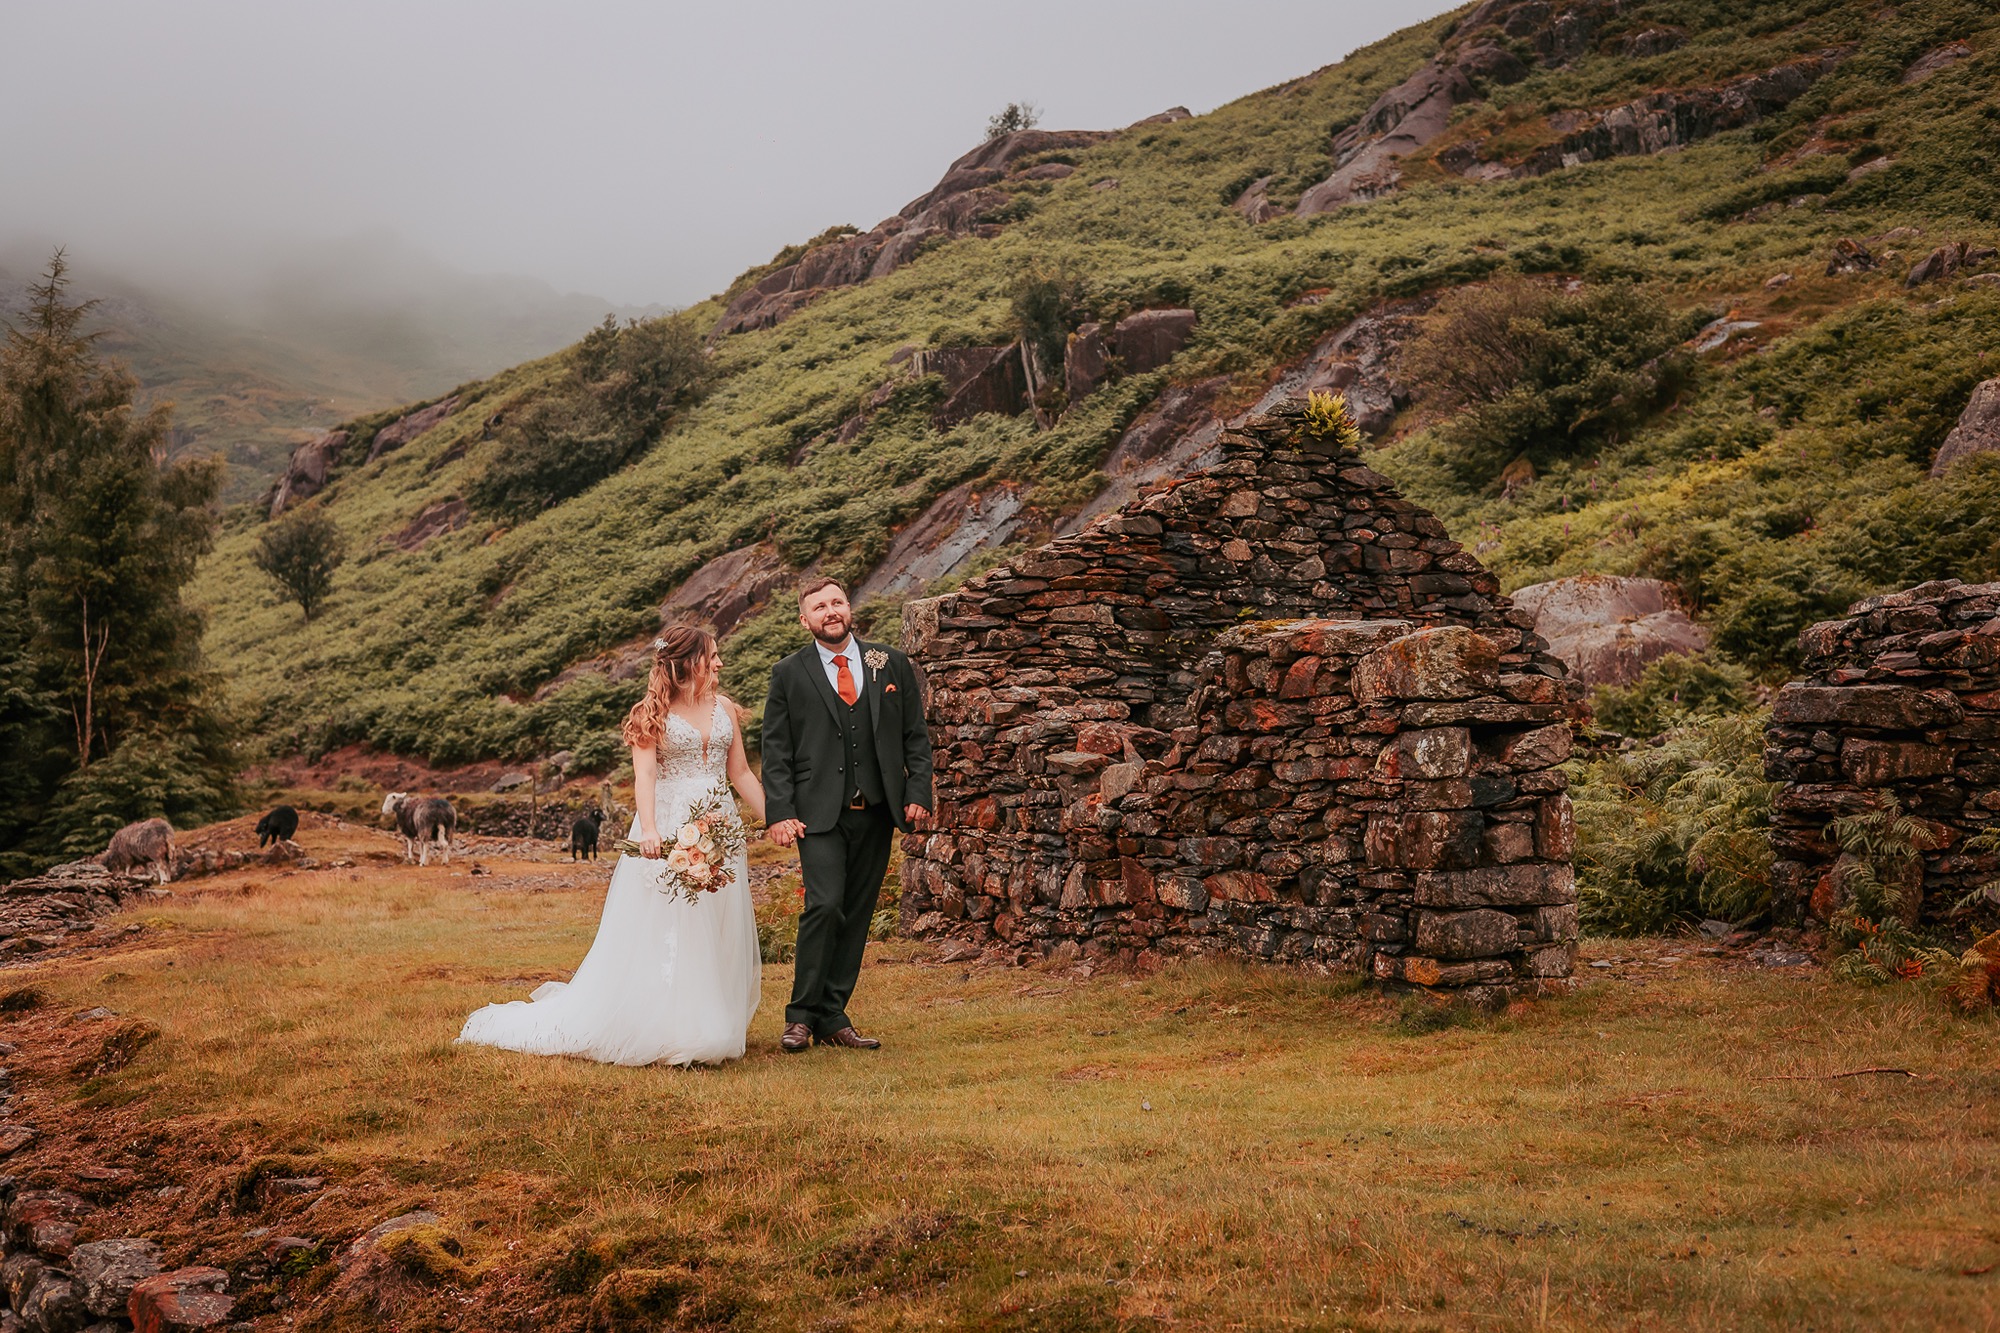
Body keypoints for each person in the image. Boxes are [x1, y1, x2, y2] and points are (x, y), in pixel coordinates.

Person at [456, 626, 764, 1066]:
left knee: (716, 920)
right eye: (711, 656)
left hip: (720, 824)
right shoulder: (648, 714)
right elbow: (645, 777)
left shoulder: (725, 709)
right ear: (685, 663)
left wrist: (776, 817)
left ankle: (713, 1017)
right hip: (671, 824)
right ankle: (674, 1026)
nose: (719, 663)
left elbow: (742, 773)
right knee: (673, 924)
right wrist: (652, 829)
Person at [762, 577, 933, 1052]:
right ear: (805, 620)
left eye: (837, 602)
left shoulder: (890, 663)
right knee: (824, 905)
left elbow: (915, 736)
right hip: (817, 814)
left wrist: (917, 791)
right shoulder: (788, 673)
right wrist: (779, 812)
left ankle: (833, 1016)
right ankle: (799, 1018)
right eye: (819, 607)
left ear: (849, 608)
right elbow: (775, 750)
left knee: (856, 913)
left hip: (877, 810)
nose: (830, 611)